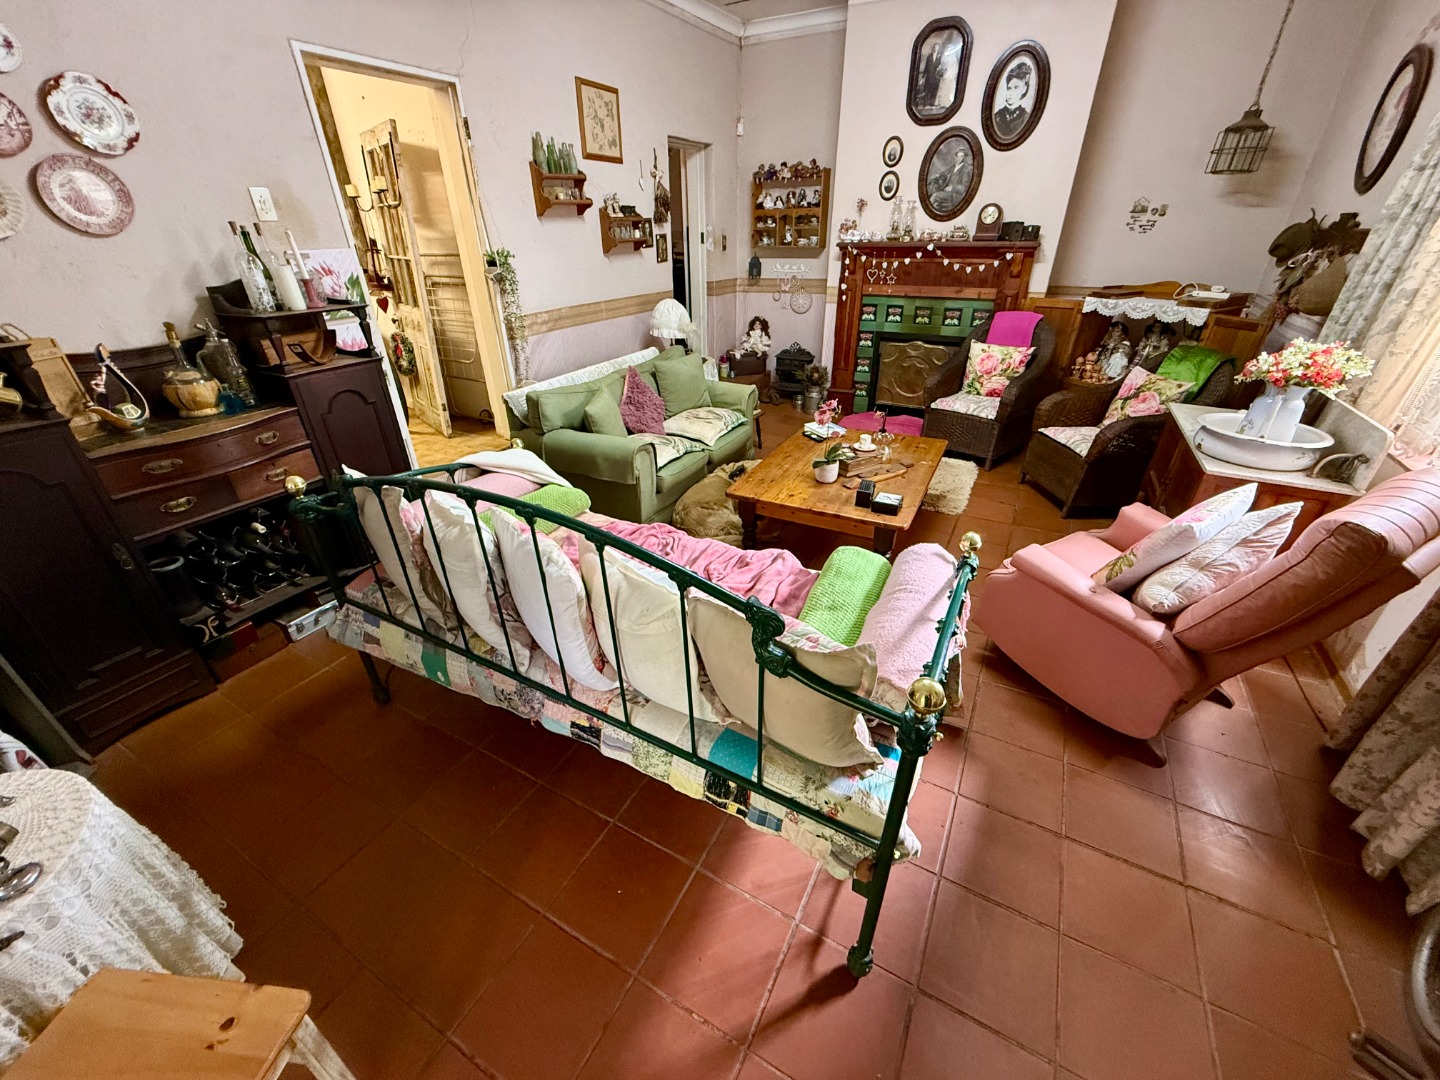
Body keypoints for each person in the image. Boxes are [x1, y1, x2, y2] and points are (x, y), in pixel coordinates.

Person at [993, 59, 1033, 141]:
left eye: (1016, 87)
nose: (1010, 93)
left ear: (1024, 89)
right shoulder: (997, 116)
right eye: (1009, 88)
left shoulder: (1025, 117)